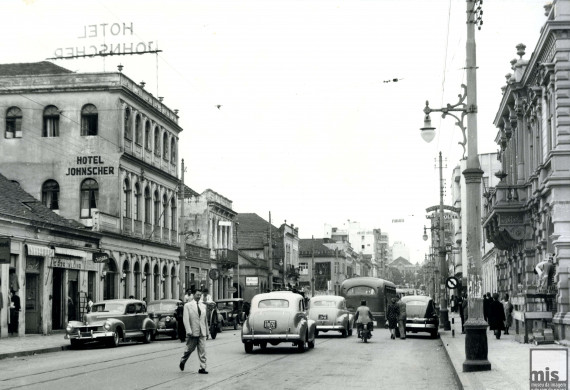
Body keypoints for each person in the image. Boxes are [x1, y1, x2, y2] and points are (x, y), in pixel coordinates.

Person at [179, 290, 209, 374]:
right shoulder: (188, 306)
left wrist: (207, 331)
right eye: (197, 294)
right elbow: (186, 319)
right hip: (192, 332)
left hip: (202, 332)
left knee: (202, 351)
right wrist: (188, 330)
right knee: (189, 349)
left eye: (200, 295)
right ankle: (183, 360)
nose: (199, 296)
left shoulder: (203, 306)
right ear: (193, 295)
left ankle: (202, 367)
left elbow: (205, 320)